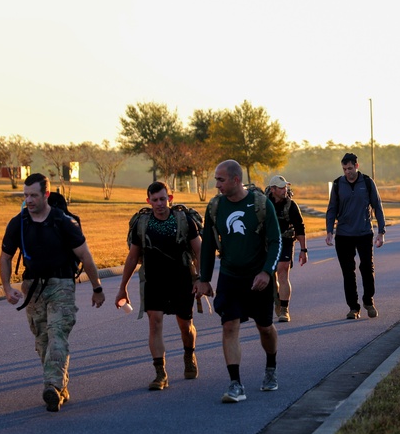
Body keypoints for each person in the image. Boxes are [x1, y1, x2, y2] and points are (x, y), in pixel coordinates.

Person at [0, 173, 105, 412]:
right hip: (32, 287)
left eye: (34, 195)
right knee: (42, 341)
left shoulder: (63, 221)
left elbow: (84, 256)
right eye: (26, 196)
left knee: (57, 335)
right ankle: (60, 387)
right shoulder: (19, 222)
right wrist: (7, 288)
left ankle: (52, 386)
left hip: (61, 284)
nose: (29, 200)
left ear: (46, 194)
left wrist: (97, 287)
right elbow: (5, 257)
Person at [194, 160, 281, 404]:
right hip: (230, 277)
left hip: (258, 279)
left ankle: (271, 368)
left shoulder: (262, 205)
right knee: (229, 326)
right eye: (216, 179)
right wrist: (204, 279)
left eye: (220, 180)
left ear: (235, 180)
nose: (217, 184)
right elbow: (208, 245)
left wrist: (266, 272)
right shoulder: (214, 207)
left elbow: (276, 241)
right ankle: (235, 383)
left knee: (265, 327)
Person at [116, 181, 202, 391]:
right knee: (154, 322)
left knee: (185, 325)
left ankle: (189, 354)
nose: (159, 203)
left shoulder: (184, 220)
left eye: (163, 199)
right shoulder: (142, 224)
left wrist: (201, 279)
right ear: (149, 201)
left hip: (181, 278)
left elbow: (199, 251)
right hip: (154, 280)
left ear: (169, 198)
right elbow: (132, 257)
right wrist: (122, 287)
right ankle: (160, 373)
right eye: (154, 200)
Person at [325, 152, 386, 320]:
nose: (347, 172)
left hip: (364, 233)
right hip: (343, 235)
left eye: (350, 168)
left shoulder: (367, 182)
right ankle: (353, 307)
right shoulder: (338, 184)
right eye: (344, 169)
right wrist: (329, 231)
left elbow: (377, 207)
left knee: (367, 268)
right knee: (348, 272)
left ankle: (368, 300)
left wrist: (381, 232)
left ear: (356, 166)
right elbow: (331, 209)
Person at [265, 174, 307, 322]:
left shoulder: (291, 205)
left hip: (286, 241)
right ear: (273, 189)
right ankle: (276, 296)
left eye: (285, 187)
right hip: (267, 243)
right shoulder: (263, 204)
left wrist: (303, 250)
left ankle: (284, 309)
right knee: (270, 275)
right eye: (281, 188)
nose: (285, 190)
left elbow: (300, 228)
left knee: (282, 271)